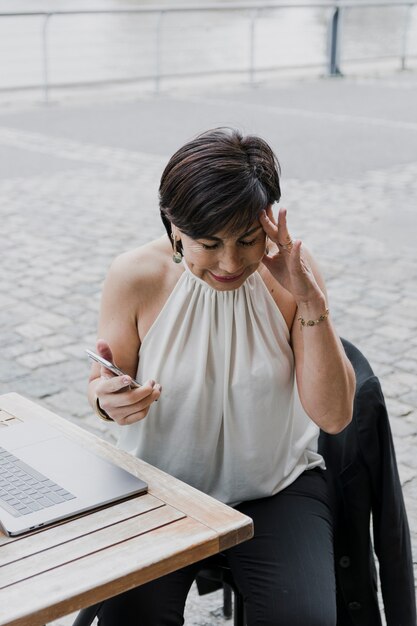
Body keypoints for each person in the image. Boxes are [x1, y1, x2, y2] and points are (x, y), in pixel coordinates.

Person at [87, 127, 355, 626]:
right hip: (156, 485)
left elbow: (335, 417)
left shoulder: (293, 276)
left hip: (275, 486)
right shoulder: (135, 276)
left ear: (267, 222)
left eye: (248, 240)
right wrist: (108, 400)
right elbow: (104, 384)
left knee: (306, 620)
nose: (231, 263)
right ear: (175, 228)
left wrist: (312, 301)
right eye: (208, 244)